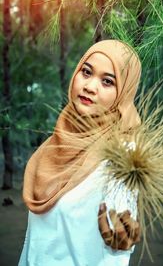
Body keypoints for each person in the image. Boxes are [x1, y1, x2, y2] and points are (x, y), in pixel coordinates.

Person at [19, 39, 141, 266]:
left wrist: (123, 243)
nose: (90, 86)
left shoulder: (121, 156)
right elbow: (35, 241)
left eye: (107, 81)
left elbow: (117, 243)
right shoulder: (57, 142)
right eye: (86, 72)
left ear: (123, 92)